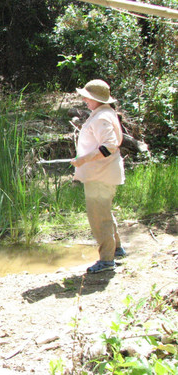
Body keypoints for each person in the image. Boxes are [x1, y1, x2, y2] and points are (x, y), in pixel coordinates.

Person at [70, 79, 126, 274]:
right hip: (102, 174)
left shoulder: (102, 116)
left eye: (87, 97)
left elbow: (109, 146)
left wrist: (83, 159)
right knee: (104, 213)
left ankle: (107, 260)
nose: (85, 100)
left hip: (100, 175)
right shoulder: (104, 113)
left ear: (96, 98)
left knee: (98, 217)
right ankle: (117, 250)